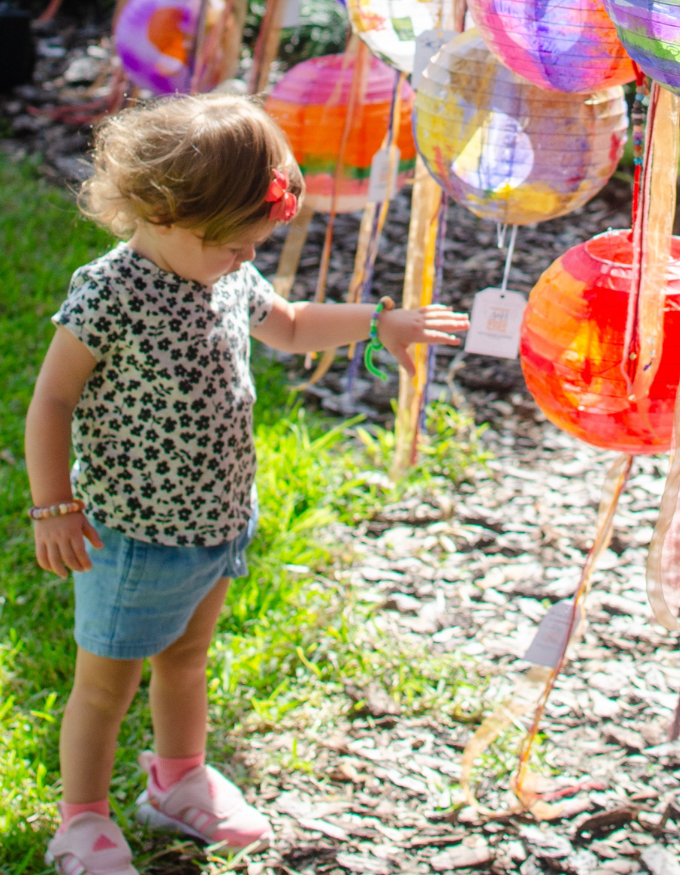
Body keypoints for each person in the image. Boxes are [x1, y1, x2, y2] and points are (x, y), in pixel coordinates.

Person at [25, 94, 469, 875]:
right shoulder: (110, 291)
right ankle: (82, 819)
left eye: (253, 242)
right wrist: (54, 504)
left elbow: (291, 325)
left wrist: (375, 322)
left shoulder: (224, 271)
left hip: (216, 518)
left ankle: (177, 778)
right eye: (236, 242)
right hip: (132, 532)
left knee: (187, 659)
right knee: (103, 685)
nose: (246, 256)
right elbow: (52, 400)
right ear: (163, 212)